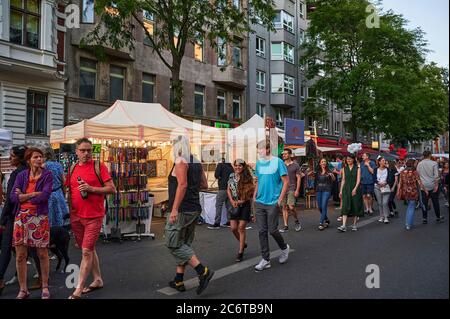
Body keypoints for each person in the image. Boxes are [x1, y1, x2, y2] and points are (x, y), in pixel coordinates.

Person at [66, 138, 116, 299]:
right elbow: (71, 191)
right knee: (88, 249)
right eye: (83, 150)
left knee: (86, 251)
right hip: (76, 216)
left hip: (94, 215)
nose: (87, 153)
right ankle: (98, 279)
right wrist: (69, 211)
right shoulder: (72, 168)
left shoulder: (99, 167)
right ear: (77, 151)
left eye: (89, 150)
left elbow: (112, 189)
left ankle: (78, 289)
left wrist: (91, 188)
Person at [165, 135, 214, 295]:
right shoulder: (196, 161)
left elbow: (182, 184)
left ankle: (203, 271)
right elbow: (204, 184)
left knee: (173, 243)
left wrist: (174, 209)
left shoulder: (180, 161)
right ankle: (179, 279)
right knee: (183, 243)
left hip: (182, 210)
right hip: (194, 207)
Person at [10, 147, 53, 299]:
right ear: (28, 160)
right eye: (35, 157)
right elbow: (13, 198)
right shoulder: (21, 175)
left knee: (42, 253)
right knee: (21, 255)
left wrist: (25, 196)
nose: (39, 159)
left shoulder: (47, 175)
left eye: (41, 157)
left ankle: (45, 286)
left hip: (39, 217)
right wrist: (33, 194)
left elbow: (45, 196)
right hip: (21, 218)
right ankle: (23, 289)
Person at [253, 140, 290, 272]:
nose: (259, 152)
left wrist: (279, 200)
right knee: (261, 231)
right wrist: (254, 196)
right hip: (260, 202)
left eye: (260, 150)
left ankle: (284, 248)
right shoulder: (258, 163)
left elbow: (286, 182)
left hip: (273, 202)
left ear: (267, 149)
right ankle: (266, 259)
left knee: (272, 230)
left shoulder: (278, 162)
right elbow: (258, 181)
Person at [0, 146, 28, 296]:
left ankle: (0, 278)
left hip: (14, 215)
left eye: (12, 156)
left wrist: (3, 218)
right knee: (26, 248)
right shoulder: (28, 171)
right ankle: (42, 277)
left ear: (20, 158)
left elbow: (10, 199)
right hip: (26, 214)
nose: (10, 158)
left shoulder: (17, 173)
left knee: (6, 246)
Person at [227, 159, 255, 262]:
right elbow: (228, 189)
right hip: (234, 204)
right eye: (236, 165)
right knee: (233, 228)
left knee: (241, 227)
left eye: (240, 166)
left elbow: (250, 195)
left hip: (245, 204)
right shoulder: (231, 176)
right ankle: (243, 243)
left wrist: (239, 202)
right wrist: (231, 200)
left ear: (243, 167)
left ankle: (240, 252)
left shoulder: (247, 178)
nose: (237, 167)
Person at [397, 159, 427, 230]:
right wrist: (425, 190)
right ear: (413, 164)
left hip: (405, 192)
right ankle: (408, 224)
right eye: (415, 163)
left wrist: (398, 191)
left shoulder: (402, 172)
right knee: (411, 207)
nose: (416, 165)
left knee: (409, 207)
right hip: (413, 192)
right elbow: (420, 183)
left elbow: (400, 183)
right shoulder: (415, 172)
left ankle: (408, 223)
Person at [43, 147, 69, 228]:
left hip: (46, 195)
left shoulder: (43, 166)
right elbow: (63, 182)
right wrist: (64, 194)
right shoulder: (58, 165)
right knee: (59, 218)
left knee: (48, 219)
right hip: (58, 193)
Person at [417, 150, 444, 224]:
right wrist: (436, 185)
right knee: (435, 202)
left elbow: (418, 176)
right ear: (429, 155)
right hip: (432, 185)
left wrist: (421, 185)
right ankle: (438, 217)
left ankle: (424, 218)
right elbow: (436, 176)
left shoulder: (419, 164)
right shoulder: (434, 163)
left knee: (424, 203)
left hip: (423, 185)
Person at [338, 155, 363, 232]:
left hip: (355, 189)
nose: (348, 160)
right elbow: (343, 180)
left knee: (355, 206)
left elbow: (358, 180)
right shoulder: (344, 169)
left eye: (350, 159)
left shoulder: (358, 169)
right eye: (347, 159)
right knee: (345, 206)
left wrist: (355, 189)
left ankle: (354, 225)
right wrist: (341, 190)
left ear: (353, 160)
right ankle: (343, 225)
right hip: (346, 189)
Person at [279, 148, 302, 233]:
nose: (284, 155)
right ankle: (286, 226)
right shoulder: (281, 165)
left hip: (292, 188)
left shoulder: (295, 165)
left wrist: (297, 190)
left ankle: (296, 220)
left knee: (291, 207)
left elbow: (299, 178)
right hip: (282, 189)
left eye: (285, 154)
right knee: (284, 207)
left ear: (290, 155)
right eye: (283, 154)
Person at [208, 158, 233, 229]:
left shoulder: (220, 165)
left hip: (222, 188)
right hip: (230, 189)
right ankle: (229, 222)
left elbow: (216, 175)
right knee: (229, 206)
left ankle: (217, 223)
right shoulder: (230, 167)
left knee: (218, 205)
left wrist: (220, 177)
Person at [315, 158, 335, 230]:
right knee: (319, 207)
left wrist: (332, 176)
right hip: (319, 190)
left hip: (327, 190)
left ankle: (321, 222)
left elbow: (333, 179)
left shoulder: (329, 171)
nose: (324, 163)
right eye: (322, 162)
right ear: (320, 163)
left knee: (324, 206)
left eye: (325, 162)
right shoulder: (317, 172)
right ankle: (326, 219)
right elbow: (315, 181)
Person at [373, 157, 391, 224]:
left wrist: (385, 183)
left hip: (385, 187)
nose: (384, 162)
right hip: (377, 187)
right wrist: (378, 183)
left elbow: (390, 178)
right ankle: (381, 216)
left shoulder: (388, 169)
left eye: (385, 160)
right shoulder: (375, 169)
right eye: (383, 160)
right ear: (379, 162)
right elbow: (374, 178)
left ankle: (386, 217)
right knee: (380, 203)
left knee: (385, 203)